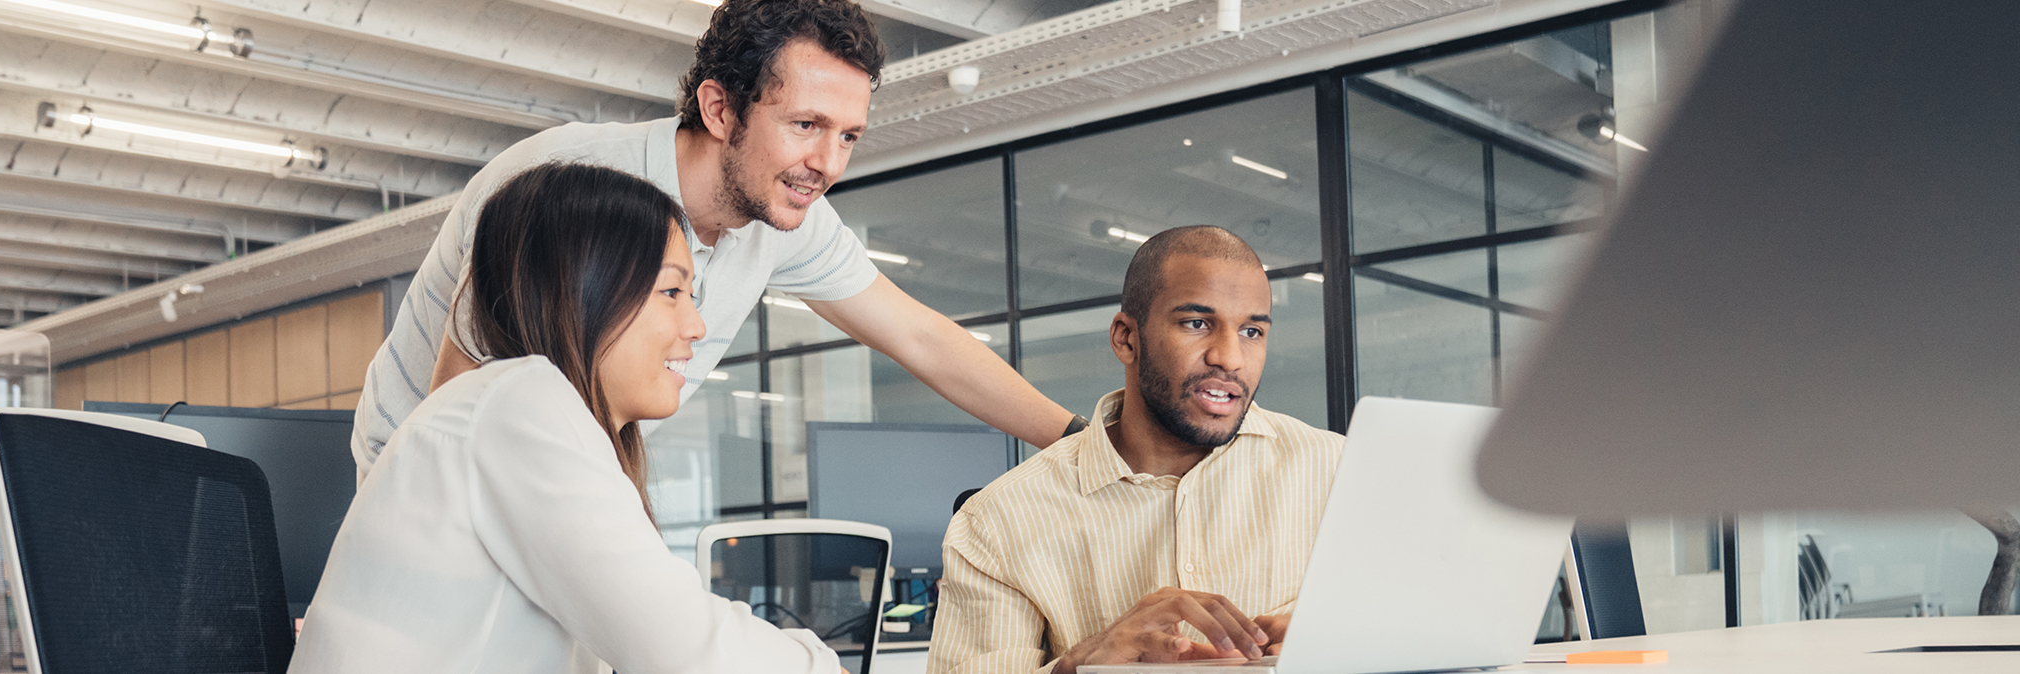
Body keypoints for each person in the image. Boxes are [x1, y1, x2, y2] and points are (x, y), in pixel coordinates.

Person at [351, 0, 1078, 480]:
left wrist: (1078, 439)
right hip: (422, 473)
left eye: (847, 136)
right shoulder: (566, 187)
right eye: (805, 125)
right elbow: (453, 409)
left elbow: (919, 337)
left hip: (573, 478)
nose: (826, 164)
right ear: (720, 108)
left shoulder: (783, 217)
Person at [293, 163, 840, 674]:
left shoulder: (520, 407)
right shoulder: (519, 402)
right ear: (583, 292)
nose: (696, 325)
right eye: (671, 291)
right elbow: (684, 647)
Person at [928, 226, 1348, 674]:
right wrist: (1075, 667)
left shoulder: (1339, 472)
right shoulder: (996, 522)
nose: (1230, 357)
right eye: (1196, 323)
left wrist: (1345, 644)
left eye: (1251, 331)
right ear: (1127, 338)